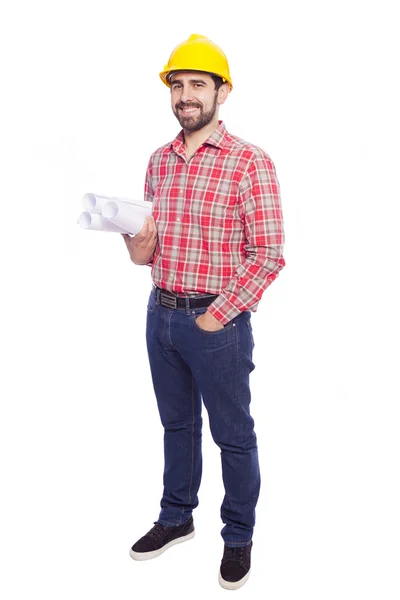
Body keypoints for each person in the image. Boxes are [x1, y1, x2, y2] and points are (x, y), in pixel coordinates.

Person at [122, 33, 285, 590]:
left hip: (218, 324)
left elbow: (268, 255)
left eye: (197, 84)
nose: (185, 95)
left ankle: (238, 535)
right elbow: (146, 251)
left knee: (233, 434)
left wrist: (219, 315)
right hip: (160, 313)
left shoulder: (249, 163)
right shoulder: (158, 161)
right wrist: (136, 242)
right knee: (177, 425)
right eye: (177, 85)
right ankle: (175, 517)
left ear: (222, 91)